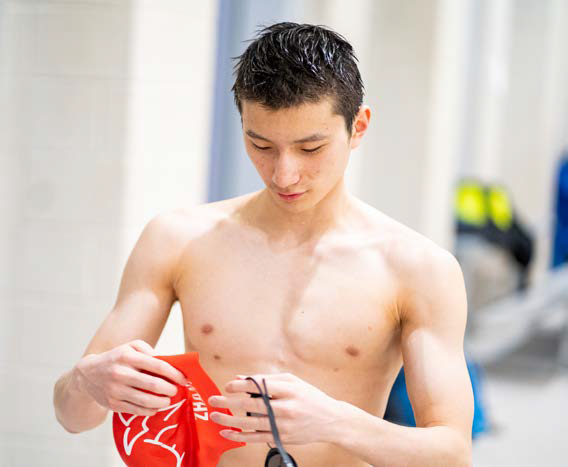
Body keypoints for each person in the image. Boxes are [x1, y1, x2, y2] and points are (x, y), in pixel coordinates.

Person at [53, 22, 474, 466]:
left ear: (359, 127)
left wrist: (335, 422)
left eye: (310, 148)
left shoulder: (418, 268)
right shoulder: (178, 240)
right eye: (261, 145)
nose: (283, 174)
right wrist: (86, 383)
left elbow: (452, 455)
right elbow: (73, 417)